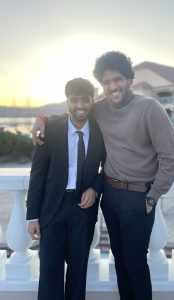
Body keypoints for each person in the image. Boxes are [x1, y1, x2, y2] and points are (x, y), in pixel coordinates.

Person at [31, 51, 174, 300]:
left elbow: (171, 158)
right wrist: (41, 118)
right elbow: (72, 115)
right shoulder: (99, 108)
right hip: (110, 197)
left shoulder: (150, 108)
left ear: (130, 79)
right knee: (120, 262)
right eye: (107, 82)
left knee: (135, 264)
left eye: (118, 79)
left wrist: (153, 196)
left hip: (139, 198)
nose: (113, 86)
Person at [26, 78, 105, 300]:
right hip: (52, 209)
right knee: (50, 271)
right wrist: (32, 216)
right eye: (74, 100)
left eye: (85, 100)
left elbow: (108, 168)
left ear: (92, 100)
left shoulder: (100, 132)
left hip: (83, 211)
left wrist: (95, 188)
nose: (80, 105)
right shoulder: (51, 131)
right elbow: (37, 175)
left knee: (78, 272)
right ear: (67, 101)